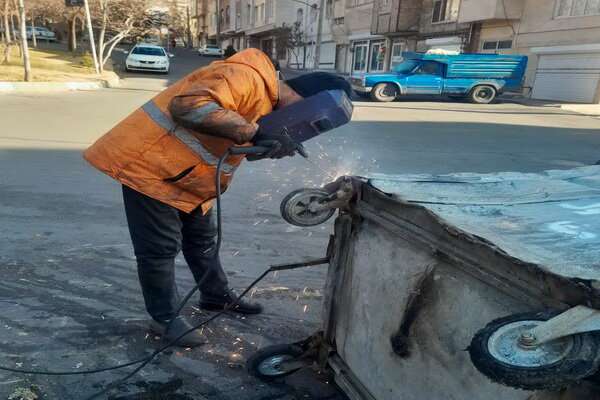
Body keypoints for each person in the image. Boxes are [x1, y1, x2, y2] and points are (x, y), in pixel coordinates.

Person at [83, 49, 352, 347]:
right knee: (159, 249)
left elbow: (235, 141)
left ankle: (215, 296)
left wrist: (265, 144)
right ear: (309, 100)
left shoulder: (265, 101)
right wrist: (252, 131)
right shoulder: (246, 76)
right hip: (150, 166)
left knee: (202, 240)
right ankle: (164, 318)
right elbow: (188, 106)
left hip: (188, 177)